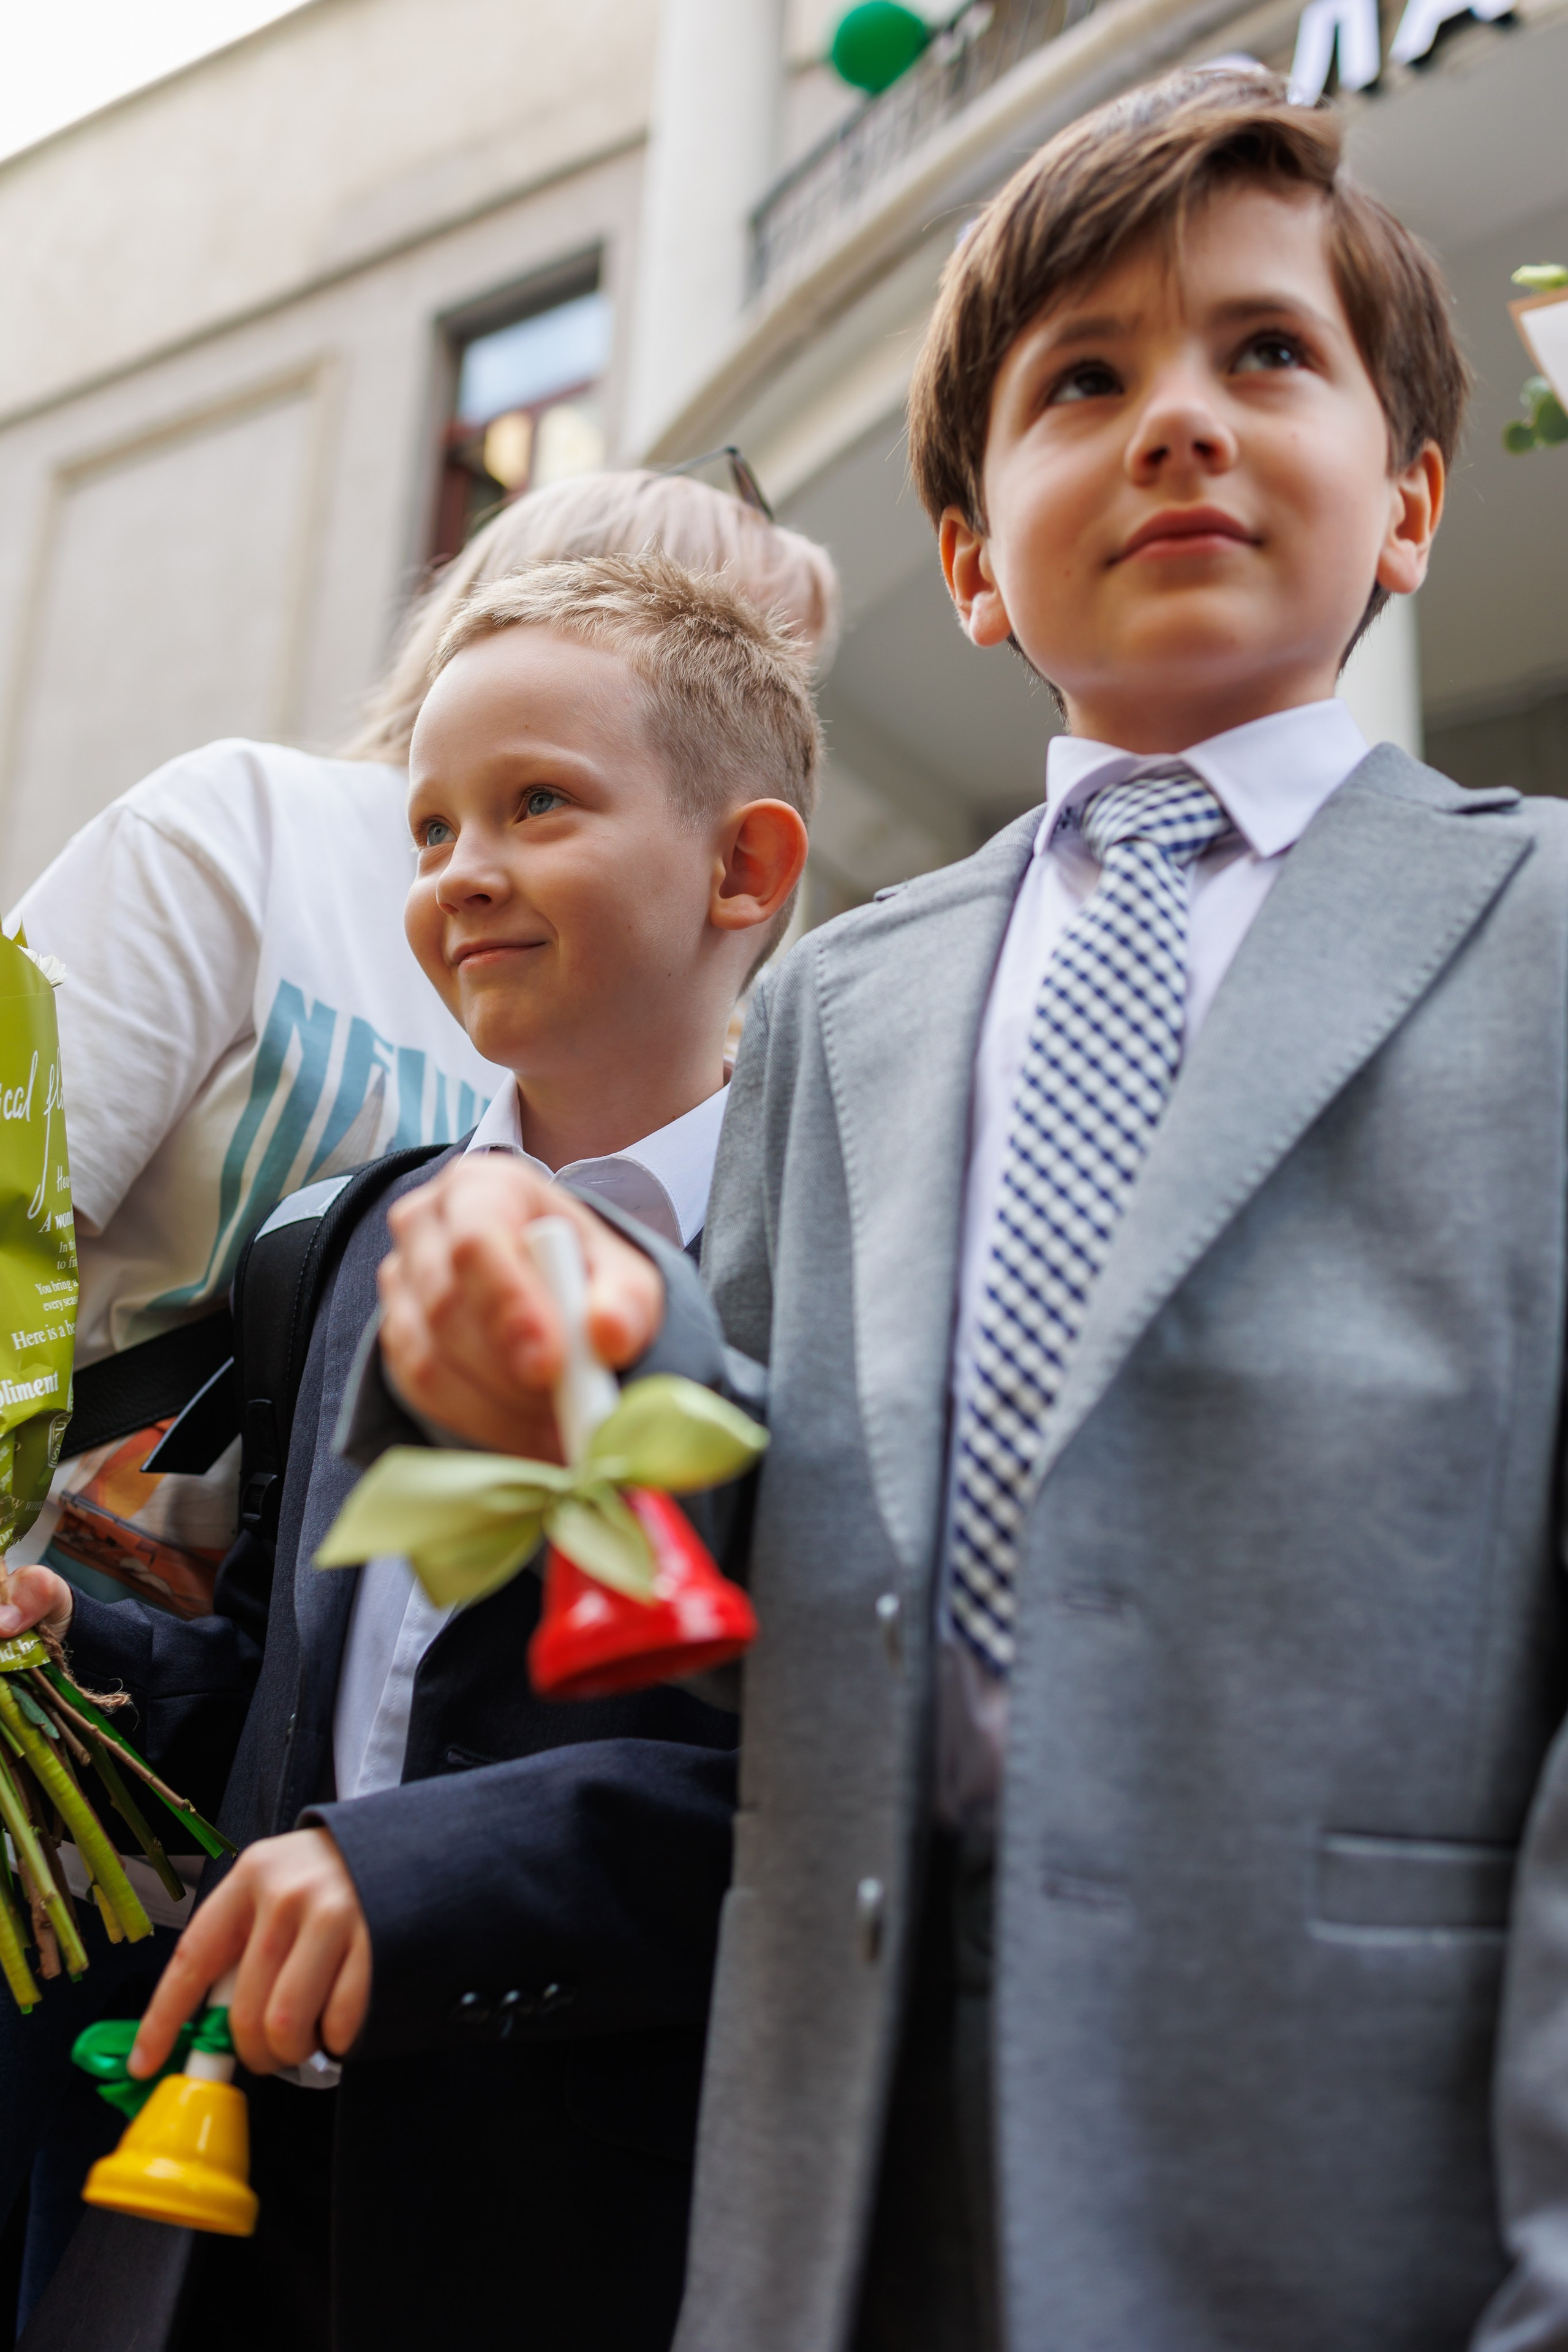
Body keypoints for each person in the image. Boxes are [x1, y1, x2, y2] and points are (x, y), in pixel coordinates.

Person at [353, 66, 1568, 2352]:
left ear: (1411, 503)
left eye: (1266, 355)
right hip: (848, 2154)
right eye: (1086, 381)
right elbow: (739, 1584)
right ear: (973, 561)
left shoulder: (1549, 937)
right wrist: (581, 1413)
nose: (1179, 423)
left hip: (1351, 2164)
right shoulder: (847, 1011)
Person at [0, 470, 839, 2332]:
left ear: (745, 870)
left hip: (576, 2201)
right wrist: (100, 1650)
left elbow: (807, 1774)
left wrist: (418, 1884)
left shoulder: (826, 1266)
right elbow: (322, 1698)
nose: (457, 867)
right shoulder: (359, 1241)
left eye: (536, 806)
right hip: (279, 2190)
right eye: (433, 821)